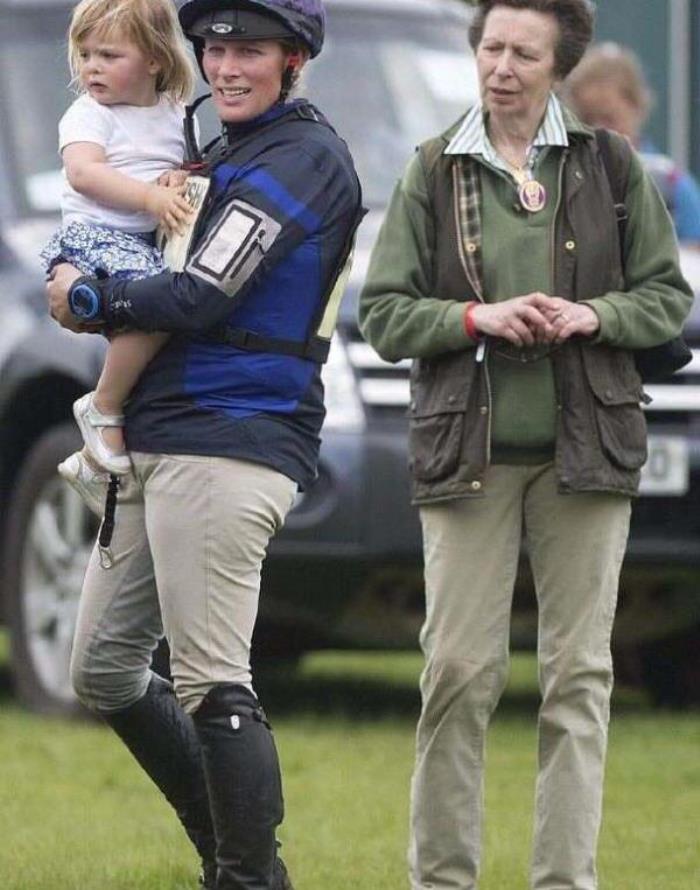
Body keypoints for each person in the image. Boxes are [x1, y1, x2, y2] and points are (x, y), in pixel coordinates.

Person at [358, 2, 692, 889]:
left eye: (524, 54)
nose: (502, 67)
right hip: (467, 455)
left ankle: (564, 881)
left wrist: (594, 315)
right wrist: (477, 317)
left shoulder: (611, 164)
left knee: (579, 678)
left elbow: (667, 298)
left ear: (559, 67)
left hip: (589, 454)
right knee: (457, 672)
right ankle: (441, 880)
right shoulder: (433, 168)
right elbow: (383, 312)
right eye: (492, 47)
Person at [46, 0, 364, 887]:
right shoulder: (224, 148)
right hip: (158, 431)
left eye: (248, 50)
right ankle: (227, 859)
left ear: (293, 60)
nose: (225, 66)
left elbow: (200, 294)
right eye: (214, 48)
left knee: (213, 680)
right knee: (103, 670)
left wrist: (88, 297)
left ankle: (248, 877)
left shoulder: (304, 157)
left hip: (232, 437)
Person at [42, 0, 196, 496]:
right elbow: (84, 173)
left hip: (145, 242)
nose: (93, 67)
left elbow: (183, 168)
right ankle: (102, 406)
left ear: (154, 58)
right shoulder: (88, 115)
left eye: (109, 55)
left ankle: (96, 454)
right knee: (155, 304)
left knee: (167, 308)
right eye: (85, 54)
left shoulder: (175, 113)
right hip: (94, 236)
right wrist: (150, 197)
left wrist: (176, 178)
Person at [563, 41, 700, 245]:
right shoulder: (562, 178)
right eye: (587, 120)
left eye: (609, 119)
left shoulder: (669, 184)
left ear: (637, 108)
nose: (599, 132)